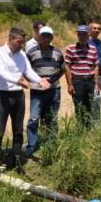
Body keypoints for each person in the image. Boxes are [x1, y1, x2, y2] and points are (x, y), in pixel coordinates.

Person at [0, 27, 50, 168]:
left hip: (18, 95)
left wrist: (39, 80)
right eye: (19, 42)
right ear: (11, 39)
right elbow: (1, 73)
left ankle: (17, 161)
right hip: (2, 95)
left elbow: (28, 71)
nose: (21, 45)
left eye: (23, 42)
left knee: (18, 130)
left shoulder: (22, 54)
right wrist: (18, 80)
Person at [25, 26, 64, 158]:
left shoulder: (58, 52)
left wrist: (53, 80)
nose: (46, 38)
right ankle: (31, 145)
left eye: (49, 36)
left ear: (52, 38)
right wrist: (34, 81)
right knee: (34, 118)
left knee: (52, 118)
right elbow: (25, 70)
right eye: (44, 36)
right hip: (37, 91)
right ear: (39, 37)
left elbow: (63, 69)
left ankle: (51, 144)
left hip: (54, 90)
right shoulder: (31, 52)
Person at [65, 24, 100, 129]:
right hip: (77, 82)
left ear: (88, 35)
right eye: (80, 34)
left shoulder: (93, 49)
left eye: (84, 34)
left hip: (90, 81)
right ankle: (80, 129)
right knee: (79, 106)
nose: (82, 36)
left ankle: (88, 128)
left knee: (89, 106)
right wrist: (69, 84)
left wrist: (97, 83)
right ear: (77, 35)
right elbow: (67, 66)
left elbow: (95, 67)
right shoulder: (71, 48)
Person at [88, 20, 101, 125]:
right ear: (90, 29)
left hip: (99, 75)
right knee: (92, 98)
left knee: (96, 98)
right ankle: (93, 123)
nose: (96, 30)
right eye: (94, 28)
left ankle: (95, 123)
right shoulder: (86, 42)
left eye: (98, 28)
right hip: (90, 75)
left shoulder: (100, 43)